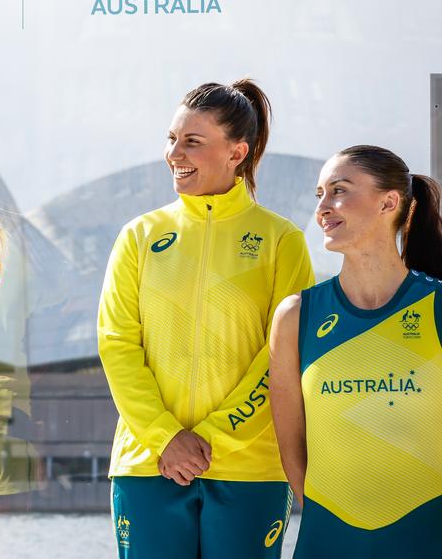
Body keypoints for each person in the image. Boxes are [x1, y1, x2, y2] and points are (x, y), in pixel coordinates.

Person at [98, 79, 314, 558]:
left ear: (237, 152)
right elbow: (117, 345)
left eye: (192, 141)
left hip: (248, 468)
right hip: (148, 464)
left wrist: (211, 441)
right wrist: (166, 438)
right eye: (171, 139)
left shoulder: (282, 240)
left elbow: (281, 357)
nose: (175, 152)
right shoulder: (139, 236)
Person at [270, 146, 442, 558]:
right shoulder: (296, 316)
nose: (323, 208)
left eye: (339, 191)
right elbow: (291, 444)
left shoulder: (436, 306)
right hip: (328, 540)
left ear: (389, 202)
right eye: (319, 195)